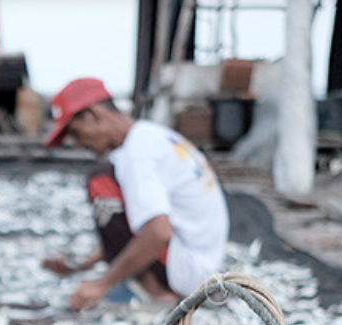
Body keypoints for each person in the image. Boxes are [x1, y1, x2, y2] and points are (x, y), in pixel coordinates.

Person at [41, 78, 230, 311]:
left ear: (93, 115)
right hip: (203, 263)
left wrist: (102, 284)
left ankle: (157, 294)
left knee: (101, 181)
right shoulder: (149, 136)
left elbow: (158, 231)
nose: (78, 144)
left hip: (188, 274)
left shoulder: (136, 155)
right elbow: (135, 225)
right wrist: (83, 265)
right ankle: (150, 284)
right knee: (112, 181)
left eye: (76, 133)